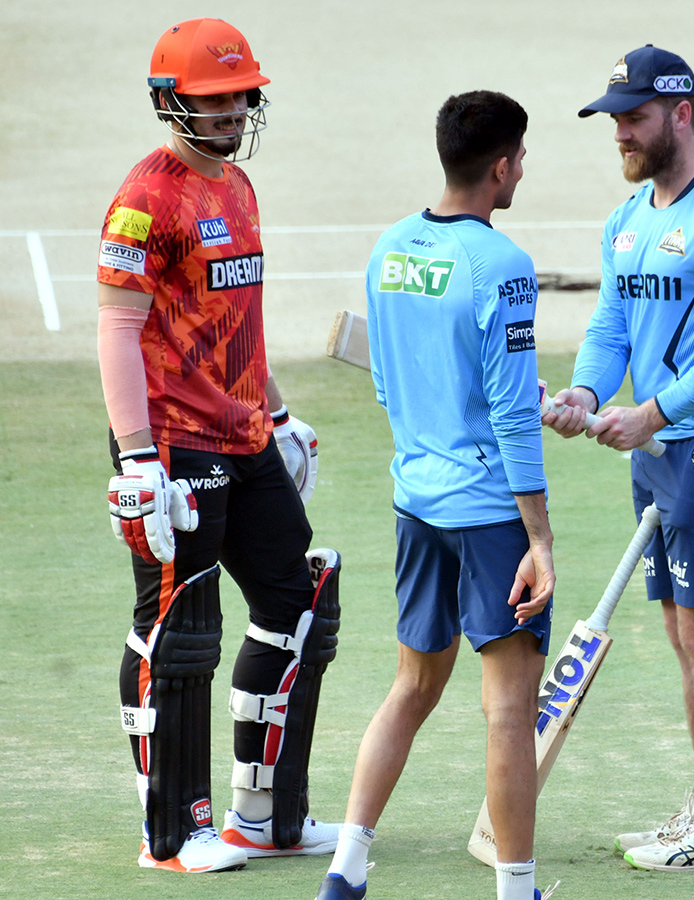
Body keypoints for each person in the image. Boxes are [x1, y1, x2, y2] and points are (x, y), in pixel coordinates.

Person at [99, 18, 339, 874]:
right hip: (173, 441)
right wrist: (136, 457)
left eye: (241, 95)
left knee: (300, 604)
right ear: (171, 101)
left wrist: (277, 416)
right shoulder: (145, 198)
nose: (233, 110)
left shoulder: (236, 188)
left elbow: (241, 325)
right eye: (213, 98)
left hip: (242, 435)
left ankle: (265, 817)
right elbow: (118, 330)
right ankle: (172, 834)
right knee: (180, 627)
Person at [313, 90, 555, 900]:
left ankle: (347, 865)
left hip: (416, 500)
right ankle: (516, 891)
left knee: (413, 686)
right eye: (520, 157)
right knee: (509, 710)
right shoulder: (503, 267)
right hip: (489, 514)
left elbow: (388, 381)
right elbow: (516, 416)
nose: (523, 169)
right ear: (499, 166)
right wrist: (541, 540)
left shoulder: (390, 250)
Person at [543, 43, 694, 872]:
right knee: (680, 629)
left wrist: (657, 412)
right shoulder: (627, 220)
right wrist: (587, 397)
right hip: (655, 450)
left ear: (682, 114)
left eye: (633, 118)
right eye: (614, 120)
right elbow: (610, 327)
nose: (620, 135)